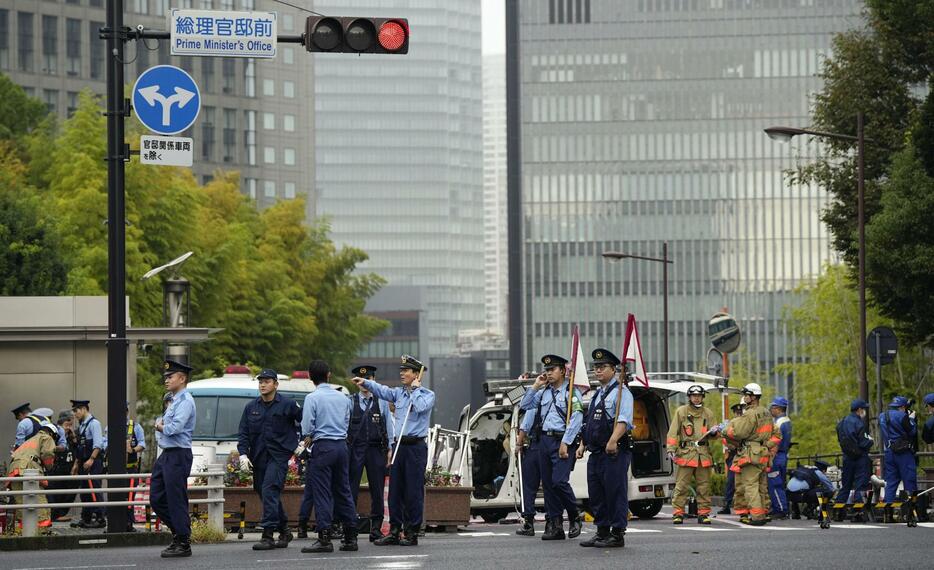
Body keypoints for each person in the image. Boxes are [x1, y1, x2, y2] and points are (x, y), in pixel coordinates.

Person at [354, 354, 435, 546]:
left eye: (406, 371)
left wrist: (415, 390)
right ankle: (394, 530)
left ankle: (412, 532)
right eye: (401, 370)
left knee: (413, 491)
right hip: (399, 446)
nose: (402, 374)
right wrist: (365, 381)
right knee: (395, 491)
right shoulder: (398, 393)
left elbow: (420, 407)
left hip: (415, 447)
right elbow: (382, 390)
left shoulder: (427, 395)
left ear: (416, 374)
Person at [231, 368, 303, 550]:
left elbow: (306, 420)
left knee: (270, 490)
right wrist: (243, 454)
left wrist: (303, 442)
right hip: (259, 457)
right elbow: (244, 433)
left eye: (267, 381)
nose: (262, 384)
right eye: (260, 381)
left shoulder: (288, 404)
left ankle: (268, 535)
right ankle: (285, 529)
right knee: (264, 492)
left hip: (278, 457)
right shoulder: (251, 407)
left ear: (276, 385)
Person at [519, 354, 584, 541]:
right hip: (544, 441)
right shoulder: (543, 392)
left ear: (563, 371)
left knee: (559, 482)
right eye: (546, 370)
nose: (548, 373)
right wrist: (535, 386)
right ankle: (555, 526)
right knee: (548, 486)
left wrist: (566, 441)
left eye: (552, 369)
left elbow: (577, 418)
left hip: (561, 441)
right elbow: (525, 405)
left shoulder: (571, 392)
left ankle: (574, 515)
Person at [300, 360, 359, 554]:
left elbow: (307, 426)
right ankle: (350, 536)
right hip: (342, 447)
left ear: (310, 377)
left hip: (323, 446)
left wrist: (309, 436)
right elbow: (347, 420)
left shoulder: (312, 398)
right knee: (344, 490)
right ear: (328, 375)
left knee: (322, 492)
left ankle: (324, 537)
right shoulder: (343, 398)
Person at [579, 349, 632, 548]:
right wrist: (583, 444)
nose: (598, 371)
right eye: (596, 367)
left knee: (615, 492)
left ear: (613, 369)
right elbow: (590, 422)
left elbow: (624, 420)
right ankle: (602, 531)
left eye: (602, 367)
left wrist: (613, 440)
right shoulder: (597, 394)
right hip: (596, 452)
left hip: (614, 452)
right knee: (596, 494)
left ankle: (617, 534)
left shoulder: (621, 392)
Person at [151, 359, 197, 558]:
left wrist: (159, 427)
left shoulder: (185, 401)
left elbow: (173, 429)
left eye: (170, 377)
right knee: (156, 497)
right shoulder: (173, 400)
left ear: (182, 378)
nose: (167, 380)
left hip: (178, 453)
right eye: (166, 377)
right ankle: (179, 532)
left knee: (176, 498)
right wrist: (161, 428)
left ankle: (183, 541)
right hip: (167, 454)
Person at [347, 365, 392, 542]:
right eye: (361, 380)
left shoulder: (381, 402)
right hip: (356, 449)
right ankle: (350, 527)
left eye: (369, 380)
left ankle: (376, 528)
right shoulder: (350, 401)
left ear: (373, 380)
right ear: (357, 382)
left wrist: (391, 448)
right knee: (351, 489)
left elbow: (389, 425)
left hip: (376, 449)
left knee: (377, 489)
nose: (365, 384)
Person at [666, 384, 719, 525]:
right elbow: (673, 432)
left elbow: (715, 435)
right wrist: (671, 448)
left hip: (703, 454)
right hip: (686, 454)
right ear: (689, 397)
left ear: (702, 397)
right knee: (682, 485)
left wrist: (714, 432)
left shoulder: (708, 413)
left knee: (704, 486)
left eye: (699, 396)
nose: (696, 398)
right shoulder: (681, 411)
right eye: (694, 396)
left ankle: (703, 514)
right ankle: (678, 513)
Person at [721, 383, 772, 526]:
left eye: (746, 395)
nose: (744, 398)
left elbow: (739, 433)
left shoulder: (750, 413)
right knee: (762, 486)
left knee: (750, 486)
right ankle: (763, 513)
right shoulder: (766, 412)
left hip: (751, 452)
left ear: (752, 396)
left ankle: (756, 517)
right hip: (763, 452)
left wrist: (726, 431)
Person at [7, 420, 59, 529]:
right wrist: (50, 467)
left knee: (22, 503)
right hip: (28, 468)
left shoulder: (30, 440)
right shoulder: (47, 437)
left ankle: (25, 532)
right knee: (38, 502)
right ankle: (41, 532)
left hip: (14, 470)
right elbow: (47, 454)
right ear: (52, 433)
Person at [879, 395, 917, 523]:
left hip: (889, 451)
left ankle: (888, 514)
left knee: (891, 482)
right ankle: (910, 513)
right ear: (902, 407)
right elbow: (912, 432)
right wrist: (911, 419)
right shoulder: (902, 416)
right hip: (903, 452)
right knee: (909, 481)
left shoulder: (882, 416)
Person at [833, 399, 874, 519]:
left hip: (847, 457)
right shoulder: (859, 423)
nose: (865, 412)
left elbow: (840, 438)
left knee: (846, 485)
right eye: (864, 409)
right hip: (860, 457)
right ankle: (858, 512)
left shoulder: (842, 422)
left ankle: (838, 511)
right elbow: (865, 442)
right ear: (859, 410)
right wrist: (870, 441)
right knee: (860, 485)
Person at [69, 399, 105, 529]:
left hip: (93, 462)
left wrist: (91, 459)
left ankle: (100, 518)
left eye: (76, 410)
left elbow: (98, 444)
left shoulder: (94, 423)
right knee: (84, 491)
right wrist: (76, 464)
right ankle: (86, 518)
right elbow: (80, 447)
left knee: (94, 489)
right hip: (83, 462)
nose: (75, 414)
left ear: (84, 409)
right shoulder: (82, 425)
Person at [515, 395, 542, 537]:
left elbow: (526, 425)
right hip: (548, 445)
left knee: (529, 485)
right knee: (550, 485)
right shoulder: (549, 395)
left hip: (536, 445)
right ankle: (553, 523)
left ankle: (529, 522)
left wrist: (519, 443)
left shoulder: (538, 397)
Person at [48, 409, 78, 521]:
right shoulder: (55, 435)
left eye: (70, 425)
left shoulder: (72, 436)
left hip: (70, 469)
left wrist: (73, 436)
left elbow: (77, 449)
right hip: (57, 468)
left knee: (70, 492)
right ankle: (55, 515)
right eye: (67, 425)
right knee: (56, 491)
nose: (68, 427)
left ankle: (61, 513)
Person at [767, 396, 792, 519]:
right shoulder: (787, 421)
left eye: (772, 407)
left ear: (778, 408)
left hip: (777, 455)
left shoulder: (778, 423)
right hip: (783, 455)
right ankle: (780, 507)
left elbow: (776, 441)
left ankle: (781, 509)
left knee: (775, 483)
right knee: (780, 483)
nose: (771, 409)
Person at [717, 403, 744, 515]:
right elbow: (725, 440)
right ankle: (727, 504)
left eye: (740, 412)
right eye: (737, 412)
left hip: (745, 453)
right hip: (733, 455)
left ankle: (744, 507)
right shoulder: (730, 424)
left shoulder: (746, 422)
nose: (738, 414)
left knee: (746, 482)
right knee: (731, 481)